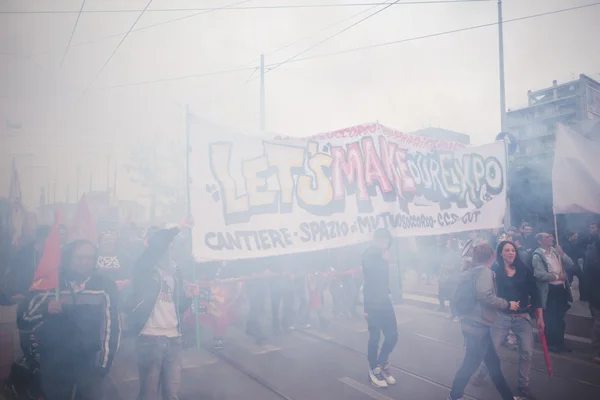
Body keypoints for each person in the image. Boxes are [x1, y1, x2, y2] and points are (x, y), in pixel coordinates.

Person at [21, 240, 121, 400]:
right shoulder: (50, 283)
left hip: (89, 362)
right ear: (68, 258)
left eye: (89, 258)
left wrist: (104, 364)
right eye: (79, 258)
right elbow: (24, 320)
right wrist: (45, 310)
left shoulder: (105, 286)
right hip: (54, 362)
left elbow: (111, 326)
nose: (84, 262)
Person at [129, 222, 198, 400]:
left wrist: (188, 297)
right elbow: (157, 244)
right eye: (166, 244)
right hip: (150, 339)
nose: (169, 248)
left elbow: (178, 307)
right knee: (148, 394)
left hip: (174, 338)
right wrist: (180, 227)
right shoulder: (144, 267)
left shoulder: (175, 271)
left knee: (172, 394)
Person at [472, 241, 543, 399]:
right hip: (502, 316)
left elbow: (536, 294)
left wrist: (540, 317)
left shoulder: (524, 270)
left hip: (522, 317)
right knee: (492, 349)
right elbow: (488, 294)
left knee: (526, 352)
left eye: (513, 250)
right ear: (501, 253)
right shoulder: (494, 271)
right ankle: (480, 374)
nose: (511, 253)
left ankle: (523, 385)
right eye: (507, 250)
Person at [447, 243, 518, 400]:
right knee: (470, 365)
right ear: (491, 258)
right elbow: (485, 296)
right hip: (478, 326)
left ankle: (508, 397)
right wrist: (507, 304)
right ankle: (454, 396)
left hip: (473, 324)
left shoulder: (469, 271)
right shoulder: (485, 271)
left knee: (493, 365)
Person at [362, 228, 398, 388]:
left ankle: (382, 363)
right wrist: (367, 308)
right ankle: (373, 368)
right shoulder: (368, 255)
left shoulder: (384, 256)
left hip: (385, 301)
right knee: (375, 338)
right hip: (373, 303)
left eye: (387, 241)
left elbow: (385, 280)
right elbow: (370, 281)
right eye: (383, 241)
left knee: (393, 336)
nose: (385, 244)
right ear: (375, 240)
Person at [532, 232, 575, 353]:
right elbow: (540, 275)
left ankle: (560, 343)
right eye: (547, 237)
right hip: (550, 291)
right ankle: (551, 344)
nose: (551, 238)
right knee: (551, 319)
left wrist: (562, 254)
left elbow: (571, 264)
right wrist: (557, 277)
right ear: (540, 241)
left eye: (551, 236)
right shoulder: (538, 256)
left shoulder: (555, 251)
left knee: (560, 318)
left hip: (561, 289)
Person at [583, 225, 600, 364]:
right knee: (598, 323)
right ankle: (594, 352)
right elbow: (593, 268)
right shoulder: (593, 249)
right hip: (596, 292)